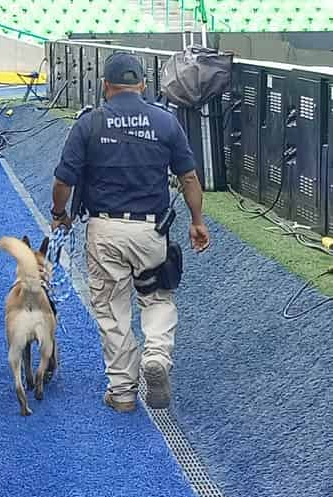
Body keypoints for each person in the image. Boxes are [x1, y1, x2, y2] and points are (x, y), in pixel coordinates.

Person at [50, 51, 209, 412]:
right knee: (156, 298)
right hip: (151, 231)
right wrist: (197, 221)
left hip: (104, 230)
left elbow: (63, 180)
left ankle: (122, 392)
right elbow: (188, 177)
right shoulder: (165, 122)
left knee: (112, 309)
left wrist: (60, 214)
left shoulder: (89, 124)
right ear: (142, 85)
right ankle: (156, 356)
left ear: (105, 86)